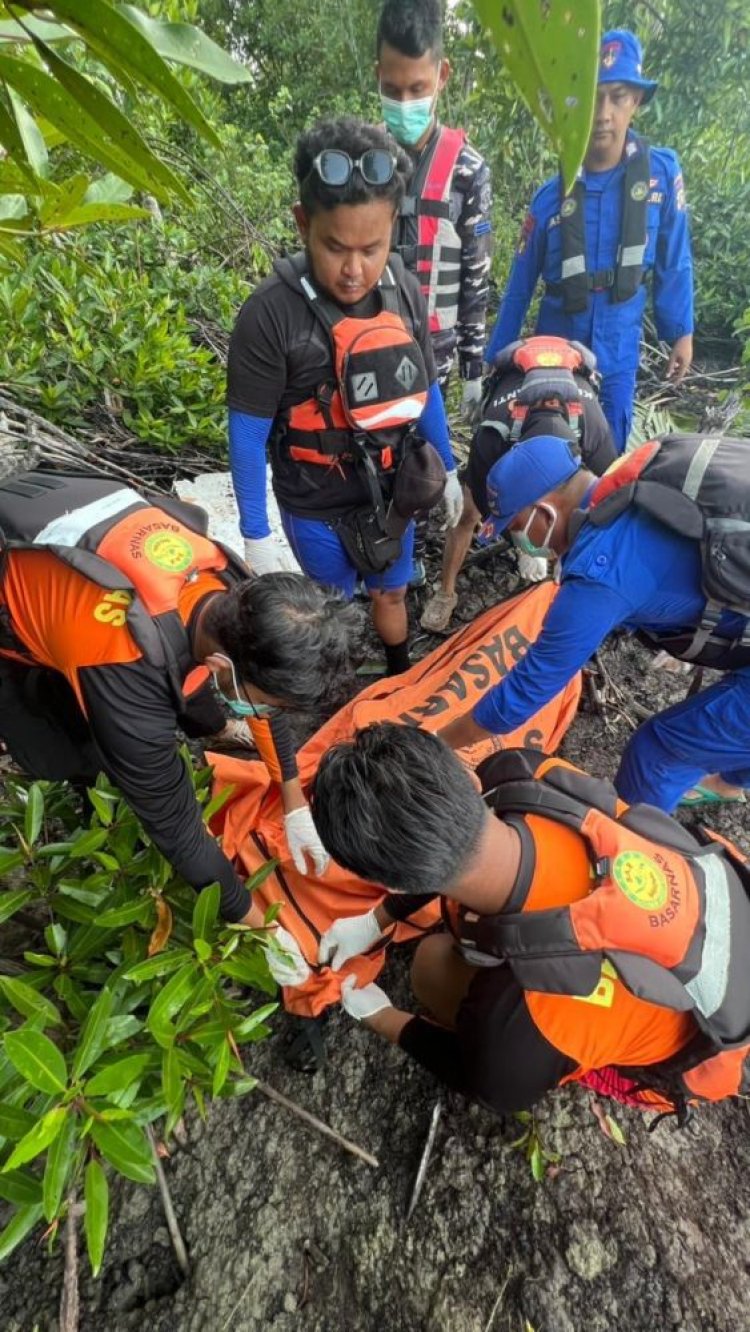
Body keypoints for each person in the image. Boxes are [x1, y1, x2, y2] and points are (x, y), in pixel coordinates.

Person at [310, 724, 750, 1118]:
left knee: (432, 965)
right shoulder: (520, 773)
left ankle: (594, 1068)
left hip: (699, 1049)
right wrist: (375, 920)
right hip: (722, 903)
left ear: (393, 884)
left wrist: (381, 1016)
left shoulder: (525, 1018)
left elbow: (492, 1087)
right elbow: (454, 848)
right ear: (467, 776)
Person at [0, 468, 355, 939]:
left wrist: (292, 800)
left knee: (183, 680)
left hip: (60, 517)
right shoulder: (122, 666)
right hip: (18, 590)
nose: (265, 711)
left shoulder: (238, 589)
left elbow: (261, 696)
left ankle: (210, 725)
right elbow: (180, 829)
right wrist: (266, 929)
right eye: (265, 700)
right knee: (67, 743)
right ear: (222, 666)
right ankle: (87, 792)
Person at [228, 116, 463, 678]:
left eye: (372, 247)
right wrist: (255, 533)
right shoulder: (270, 314)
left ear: (392, 232)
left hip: (391, 491)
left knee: (391, 596)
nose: (355, 269)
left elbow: (424, 386)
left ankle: (399, 680)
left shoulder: (402, 287)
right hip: (314, 502)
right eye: (335, 248)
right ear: (303, 223)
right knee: (330, 609)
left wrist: (449, 467)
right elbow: (247, 433)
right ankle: (336, 697)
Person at [435, 433, 750, 812]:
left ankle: (641, 851)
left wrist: (439, 742)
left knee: (657, 751)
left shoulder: (599, 569)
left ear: (545, 512)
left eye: (518, 527)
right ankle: (731, 780)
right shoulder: (632, 479)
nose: (521, 540)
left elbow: (527, 690)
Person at [485, 29, 694, 453]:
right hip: (557, 354)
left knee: (607, 456)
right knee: (552, 452)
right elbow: (519, 288)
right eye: (594, 97)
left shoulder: (660, 177)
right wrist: (493, 363)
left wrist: (681, 333)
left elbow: (675, 260)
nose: (604, 113)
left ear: (635, 101)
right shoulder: (550, 198)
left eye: (618, 97)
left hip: (619, 350)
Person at [376, 0, 492, 585]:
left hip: (437, 348)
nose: (404, 104)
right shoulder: (364, 157)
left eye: (416, 88)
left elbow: (476, 271)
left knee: (428, 457)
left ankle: (422, 554)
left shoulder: (467, 169)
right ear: (376, 74)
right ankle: (392, 562)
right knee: (379, 455)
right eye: (392, 89)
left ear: (441, 77)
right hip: (371, 343)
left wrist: (474, 364)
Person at [420, 335, 617, 631]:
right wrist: (523, 542)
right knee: (467, 514)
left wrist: (555, 552)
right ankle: (445, 592)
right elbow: (491, 512)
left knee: (585, 520)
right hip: (510, 408)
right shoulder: (492, 437)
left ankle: (560, 592)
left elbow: (605, 518)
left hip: (573, 416)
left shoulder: (595, 437)